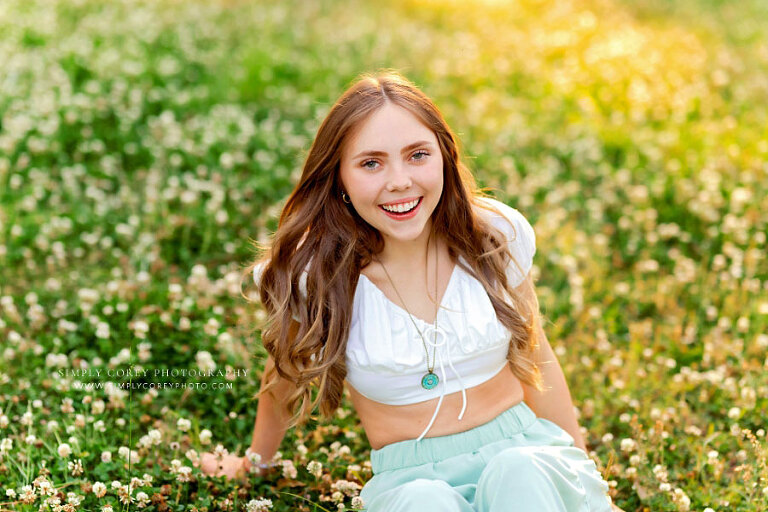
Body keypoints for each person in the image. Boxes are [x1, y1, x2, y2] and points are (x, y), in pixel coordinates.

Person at [201, 70, 618, 511]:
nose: (399, 181)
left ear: (444, 155)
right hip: (410, 475)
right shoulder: (320, 274)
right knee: (425, 502)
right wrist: (255, 463)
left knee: (518, 471)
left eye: (417, 154)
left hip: (524, 452)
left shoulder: (493, 237)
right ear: (338, 178)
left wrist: (581, 468)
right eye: (371, 163)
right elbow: (283, 378)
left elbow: (537, 354)